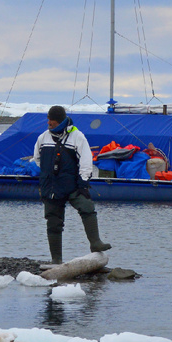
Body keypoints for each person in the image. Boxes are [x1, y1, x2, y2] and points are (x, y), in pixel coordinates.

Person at [33, 105, 112, 264]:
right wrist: (47, 176)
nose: (49, 123)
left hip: (73, 185)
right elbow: (37, 159)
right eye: (48, 120)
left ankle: (95, 243)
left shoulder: (77, 137)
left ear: (61, 121)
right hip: (51, 187)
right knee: (53, 222)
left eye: (52, 121)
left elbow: (86, 161)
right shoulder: (43, 138)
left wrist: (83, 184)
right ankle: (56, 260)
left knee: (87, 208)